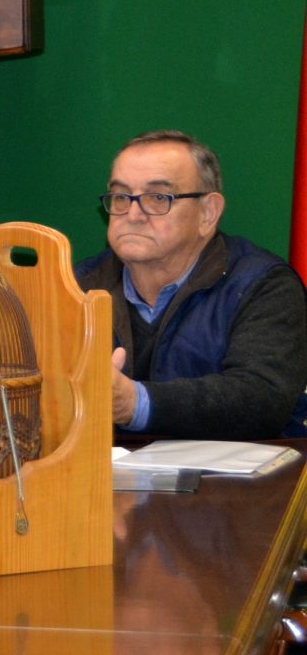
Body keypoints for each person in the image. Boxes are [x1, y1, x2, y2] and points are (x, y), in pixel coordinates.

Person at [75, 129, 307, 437]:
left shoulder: (263, 285)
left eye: (158, 198)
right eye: (121, 197)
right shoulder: (78, 286)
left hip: (239, 467)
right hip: (109, 466)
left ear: (208, 213)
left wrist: (135, 403)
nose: (133, 214)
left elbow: (261, 397)